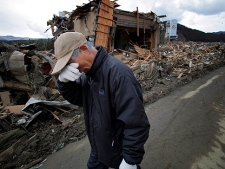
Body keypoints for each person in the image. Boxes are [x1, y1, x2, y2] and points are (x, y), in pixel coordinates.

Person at [51, 32, 150, 169]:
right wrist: (64, 83)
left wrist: (130, 160)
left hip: (118, 150)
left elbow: (136, 122)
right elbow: (78, 98)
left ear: (84, 50)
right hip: (99, 148)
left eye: (69, 63)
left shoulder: (118, 74)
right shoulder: (87, 74)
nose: (70, 68)